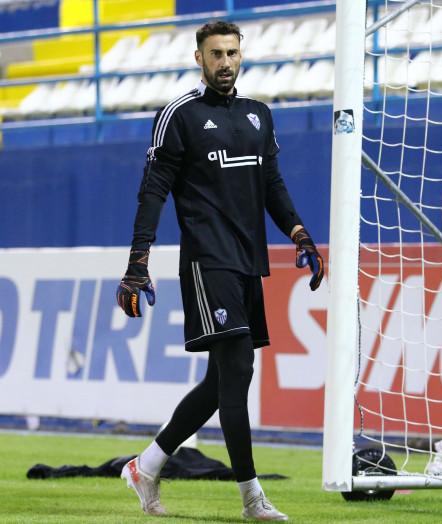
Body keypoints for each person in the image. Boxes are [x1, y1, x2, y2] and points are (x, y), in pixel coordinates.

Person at [116, 20, 324, 521]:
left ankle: (146, 466)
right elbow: (153, 191)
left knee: (223, 378)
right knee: (238, 368)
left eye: (232, 53)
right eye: (216, 54)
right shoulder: (179, 115)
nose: (225, 62)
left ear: (240, 55)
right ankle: (252, 497)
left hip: (249, 261)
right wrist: (138, 261)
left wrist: (299, 232)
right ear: (199, 58)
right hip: (207, 261)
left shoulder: (259, 115)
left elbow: (272, 186)